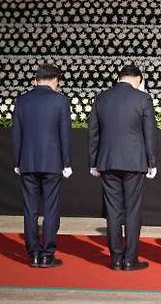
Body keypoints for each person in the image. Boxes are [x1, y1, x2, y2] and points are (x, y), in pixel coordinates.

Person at [88, 65, 157, 271]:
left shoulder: (102, 98)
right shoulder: (142, 99)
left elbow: (93, 132)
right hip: (134, 162)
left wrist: (93, 161)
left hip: (107, 160)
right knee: (133, 210)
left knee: (113, 210)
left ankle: (116, 258)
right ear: (137, 78)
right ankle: (130, 259)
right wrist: (151, 161)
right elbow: (149, 134)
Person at [11, 64, 72, 268]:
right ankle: (47, 254)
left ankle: (33, 254)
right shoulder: (61, 101)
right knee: (51, 208)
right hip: (53, 163)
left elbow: (16, 134)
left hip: (27, 162)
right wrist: (66, 162)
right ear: (55, 80)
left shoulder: (22, 100)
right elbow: (65, 135)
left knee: (30, 210)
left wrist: (18, 161)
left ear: (36, 80)